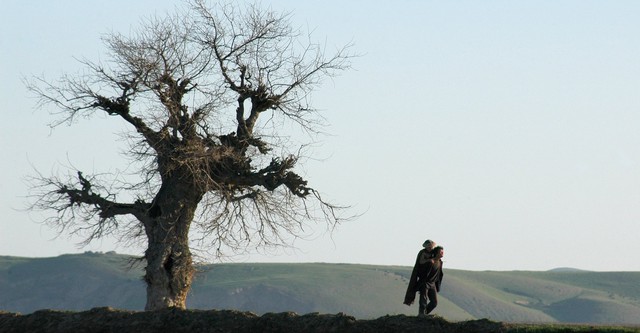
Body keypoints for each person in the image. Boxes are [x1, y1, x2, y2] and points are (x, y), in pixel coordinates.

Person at [404, 244, 445, 317]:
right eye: (441, 252)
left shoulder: (440, 262)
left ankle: (425, 313)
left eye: (443, 252)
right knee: (423, 299)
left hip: (432, 284)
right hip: (425, 282)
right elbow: (420, 269)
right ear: (437, 253)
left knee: (434, 302)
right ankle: (421, 314)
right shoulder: (429, 262)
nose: (442, 253)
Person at [403, 239, 436, 306]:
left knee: (434, 302)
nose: (430, 248)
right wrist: (429, 260)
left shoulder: (433, 253)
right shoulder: (422, 252)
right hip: (423, 277)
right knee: (423, 297)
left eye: (431, 247)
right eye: (428, 247)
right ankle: (422, 313)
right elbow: (421, 261)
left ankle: (425, 312)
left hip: (431, 279)